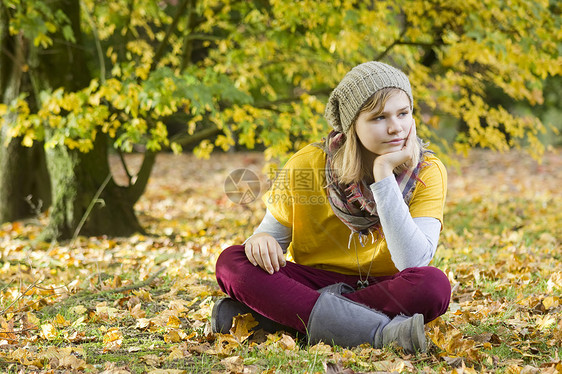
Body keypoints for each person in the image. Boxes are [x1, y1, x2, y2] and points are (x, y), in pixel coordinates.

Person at [212, 61, 451, 353]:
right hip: (311, 281)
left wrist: (384, 175)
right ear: (352, 125)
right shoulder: (307, 165)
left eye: (404, 113)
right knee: (232, 261)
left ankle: (280, 320)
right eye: (378, 118)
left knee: (433, 285)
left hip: (386, 286)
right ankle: (381, 332)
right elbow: (269, 239)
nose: (395, 127)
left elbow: (412, 262)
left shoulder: (427, 171)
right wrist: (261, 240)